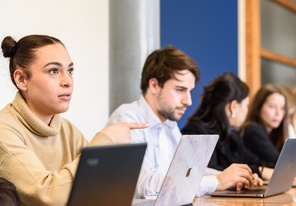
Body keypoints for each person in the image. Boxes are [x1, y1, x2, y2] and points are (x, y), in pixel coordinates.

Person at [0, 35, 148, 205]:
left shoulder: (67, 129)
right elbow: (48, 197)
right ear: (21, 79)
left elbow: (102, 189)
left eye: (70, 71)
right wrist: (105, 141)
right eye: (54, 71)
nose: (67, 81)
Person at [106, 45, 262, 198]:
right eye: (180, 90)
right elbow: (145, 185)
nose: (188, 101)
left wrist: (231, 178)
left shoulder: (169, 125)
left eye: (190, 91)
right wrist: (217, 181)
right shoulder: (126, 118)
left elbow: (189, 171)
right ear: (154, 85)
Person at [181, 72, 274, 180]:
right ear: (233, 106)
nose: (246, 111)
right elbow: (208, 173)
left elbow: (253, 161)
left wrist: (261, 170)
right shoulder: (195, 133)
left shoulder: (232, 137)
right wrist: (259, 171)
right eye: (246, 105)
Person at [240, 84, 289, 170]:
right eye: (272, 107)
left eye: (282, 108)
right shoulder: (253, 129)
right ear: (259, 107)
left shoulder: (274, 134)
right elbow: (282, 164)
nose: (278, 113)